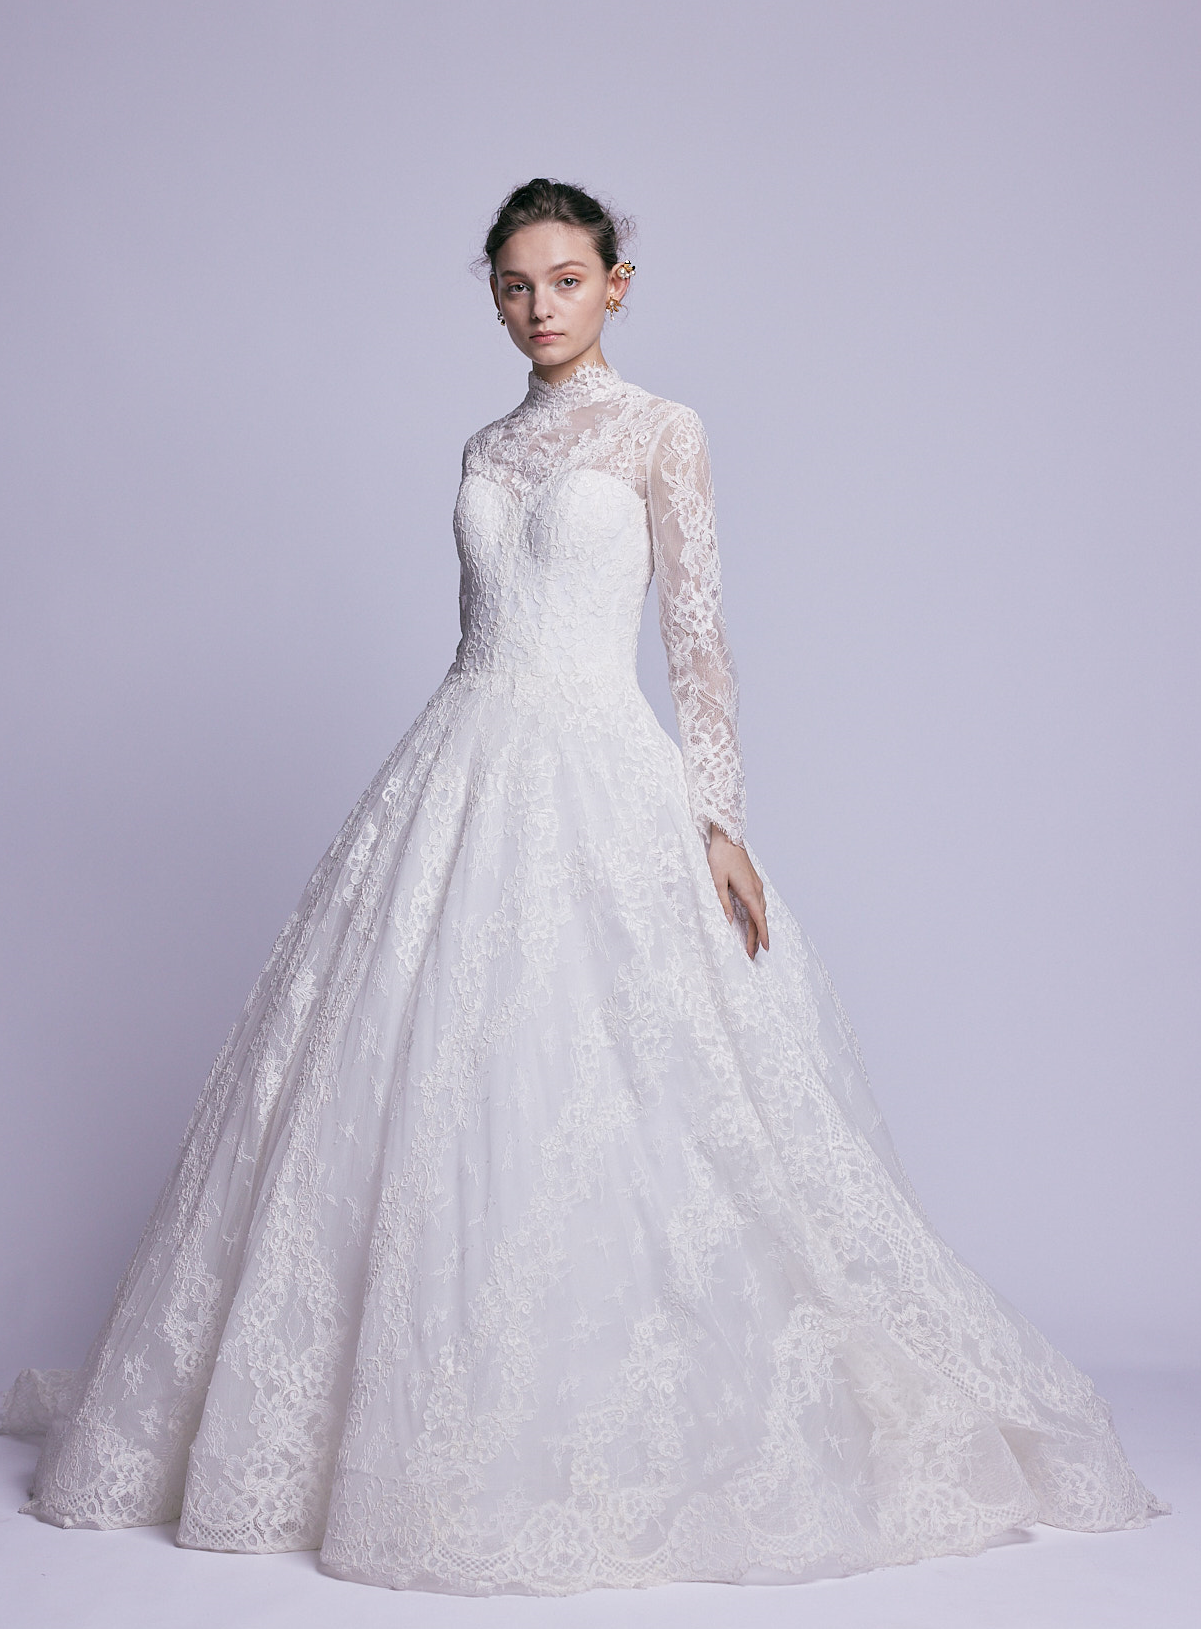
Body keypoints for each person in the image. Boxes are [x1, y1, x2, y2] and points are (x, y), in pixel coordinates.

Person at [2, 177, 1166, 1596]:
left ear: (618, 283)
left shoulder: (663, 430)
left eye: (565, 279)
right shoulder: (486, 444)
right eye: (514, 284)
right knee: (430, 1084)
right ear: (493, 296)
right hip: (456, 765)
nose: (538, 306)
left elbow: (698, 634)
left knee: (636, 1087)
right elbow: (478, 633)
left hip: (604, 767)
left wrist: (718, 818)